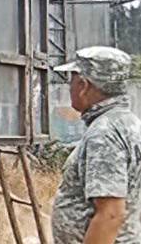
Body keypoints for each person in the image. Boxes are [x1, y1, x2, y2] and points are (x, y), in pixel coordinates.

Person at [51, 46, 141, 244]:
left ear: (83, 86)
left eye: (72, 80)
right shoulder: (128, 123)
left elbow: (110, 215)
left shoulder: (104, 134)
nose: (70, 87)